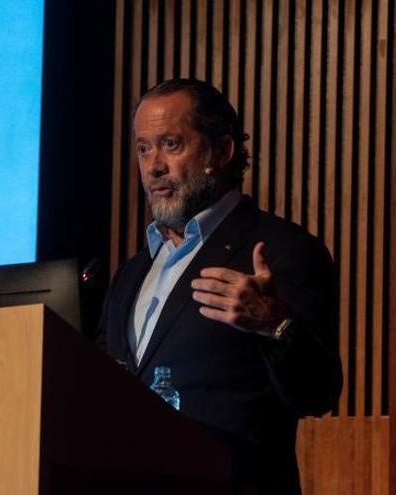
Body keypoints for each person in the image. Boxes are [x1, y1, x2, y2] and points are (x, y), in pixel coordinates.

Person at [94, 78, 342, 494]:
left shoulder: (281, 250)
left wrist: (275, 323)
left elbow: (317, 393)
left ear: (221, 151)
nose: (153, 165)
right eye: (143, 148)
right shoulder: (132, 273)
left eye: (171, 144)